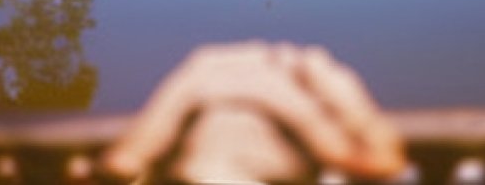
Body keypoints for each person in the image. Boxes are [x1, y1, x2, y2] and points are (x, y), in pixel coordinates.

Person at [101, 42, 407, 183]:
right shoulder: (302, 77)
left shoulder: (204, 70)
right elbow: (384, 162)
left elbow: (127, 161)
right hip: (265, 94)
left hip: (223, 97)